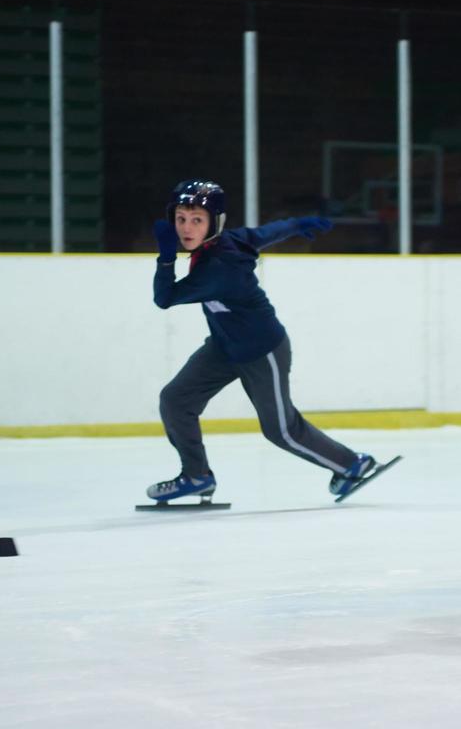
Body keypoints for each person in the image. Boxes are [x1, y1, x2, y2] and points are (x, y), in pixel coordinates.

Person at [146, 179, 379, 504]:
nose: (186, 228)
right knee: (175, 400)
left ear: (215, 222)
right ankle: (196, 475)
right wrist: (298, 224)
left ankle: (352, 464)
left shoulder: (218, 267)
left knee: (280, 430)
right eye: (181, 219)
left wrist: (166, 258)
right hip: (225, 346)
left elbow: (165, 297)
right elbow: (264, 234)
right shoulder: (229, 242)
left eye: (197, 220)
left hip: (261, 351)